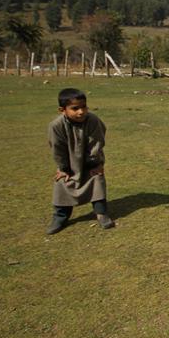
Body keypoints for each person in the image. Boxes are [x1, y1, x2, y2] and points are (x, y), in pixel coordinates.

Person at [46, 88, 113, 234]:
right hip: (69, 163)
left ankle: (101, 213)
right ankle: (60, 216)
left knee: (96, 179)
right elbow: (57, 148)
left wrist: (96, 164)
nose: (81, 112)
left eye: (84, 107)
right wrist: (64, 168)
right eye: (75, 108)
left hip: (91, 161)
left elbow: (97, 143)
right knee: (63, 182)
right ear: (62, 110)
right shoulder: (56, 126)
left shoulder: (93, 120)